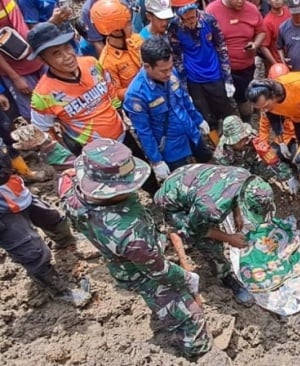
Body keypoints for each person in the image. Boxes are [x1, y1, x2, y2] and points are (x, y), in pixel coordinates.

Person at [11, 126, 212, 358]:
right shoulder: (129, 233)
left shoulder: (71, 189)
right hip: (143, 274)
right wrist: (187, 278)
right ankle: (197, 350)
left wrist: (46, 143)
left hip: (121, 260)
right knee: (188, 316)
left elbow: (67, 165)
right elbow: (160, 271)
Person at [27, 22, 159, 195]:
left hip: (121, 135)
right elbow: (43, 135)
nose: (67, 56)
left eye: (67, 48)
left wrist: (118, 116)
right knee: (113, 190)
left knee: (143, 171)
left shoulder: (91, 64)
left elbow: (110, 90)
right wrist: (69, 161)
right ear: (43, 59)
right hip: (94, 153)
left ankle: (157, 198)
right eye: (56, 53)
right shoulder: (42, 96)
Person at [154, 164, 276, 306]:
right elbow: (197, 230)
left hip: (188, 179)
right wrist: (229, 238)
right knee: (207, 243)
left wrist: (237, 212)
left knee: (205, 218)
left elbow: (235, 193)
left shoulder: (245, 176)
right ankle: (226, 276)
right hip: (172, 202)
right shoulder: (211, 209)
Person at [0, 142, 90, 308]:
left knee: (53, 218)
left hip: (15, 192)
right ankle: (58, 289)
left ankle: (66, 242)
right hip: (3, 214)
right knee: (32, 251)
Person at [124, 36, 213, 181]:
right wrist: (156, 160)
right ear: (147, 67)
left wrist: (198, 120)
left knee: (209, 164)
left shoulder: (171, 74)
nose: (168, 73)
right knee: (185, 182)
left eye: (170, 68)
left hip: (190, 132)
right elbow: (144, 132)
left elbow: (184, 99)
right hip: (171, 147)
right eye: (163, 70)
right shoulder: (137, 95)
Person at [168, 0, 237, 145]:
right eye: (186, 19)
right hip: (193, 77)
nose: (190, 22)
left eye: (192, 17)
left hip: (214, 73)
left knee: (225, 110)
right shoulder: (174, 27)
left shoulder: (209, 20)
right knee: (204, 114)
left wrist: (228, 78)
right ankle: (217, 145)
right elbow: (176, 56)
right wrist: (184, 86)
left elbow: (221, 46)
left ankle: (234, 141)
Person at [206, 0, 267, 122]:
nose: (240, 1)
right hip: (220, 69)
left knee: (244, 99)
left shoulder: (251, 9)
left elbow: (261, 31)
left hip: (245, 67)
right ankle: (226, 127)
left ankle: (247, 123)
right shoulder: (212, 11)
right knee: (223, 102)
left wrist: (255, 44)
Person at [214, 115, 300, 196]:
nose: (243, 142)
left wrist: (288, 176)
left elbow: (270, 156)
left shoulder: (251, 137)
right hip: (239, 176)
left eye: (243, 138)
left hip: (254, 165)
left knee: (269, 169)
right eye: (238, 141)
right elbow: (229, 181)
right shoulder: (221, 156)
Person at [0, 0, 46, 120]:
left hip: (37, 58)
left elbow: (25, 28)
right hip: (16, 70)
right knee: (33, 111)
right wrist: (15, 78)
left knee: (56, 98)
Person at [92, 0, 144, 101]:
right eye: (127, 24)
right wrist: (141, 89)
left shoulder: (137, 39)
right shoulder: (106, 63)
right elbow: (115, 93)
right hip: (138, 101)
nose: (131, 26)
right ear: (115, 31)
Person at [260, 0, 290, 66]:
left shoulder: (289, 12)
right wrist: (275, 64)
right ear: (268, 1)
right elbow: (264, 47)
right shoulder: (267, 22)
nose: (277, 0)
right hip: (280, 62)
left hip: (295, 59)